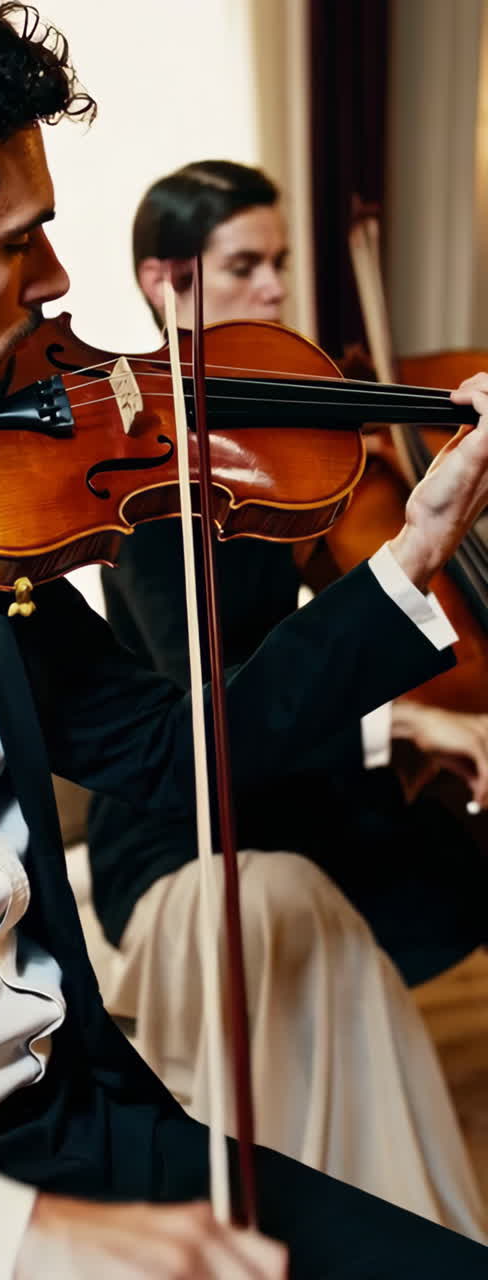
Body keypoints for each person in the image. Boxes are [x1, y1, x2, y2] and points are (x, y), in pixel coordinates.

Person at [0, 5, 488, 1277]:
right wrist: (20, 1235)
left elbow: (179, 750)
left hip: (86, 1127)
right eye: (19, 241)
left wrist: (413, 547)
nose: (56, 282)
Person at [84, 160, 488, 1224]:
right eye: (244, 266)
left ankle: (364, 1220)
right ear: (166, 283)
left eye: (279, 263)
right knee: (309, 899)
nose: (274, 289)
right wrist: (405, 716)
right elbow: (205, 704)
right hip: (181, 836)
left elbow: (323, 643)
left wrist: (399, 725)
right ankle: (342, 1215)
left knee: (442, 856)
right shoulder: (143, 480)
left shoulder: (266, 447)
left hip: (272, 795)